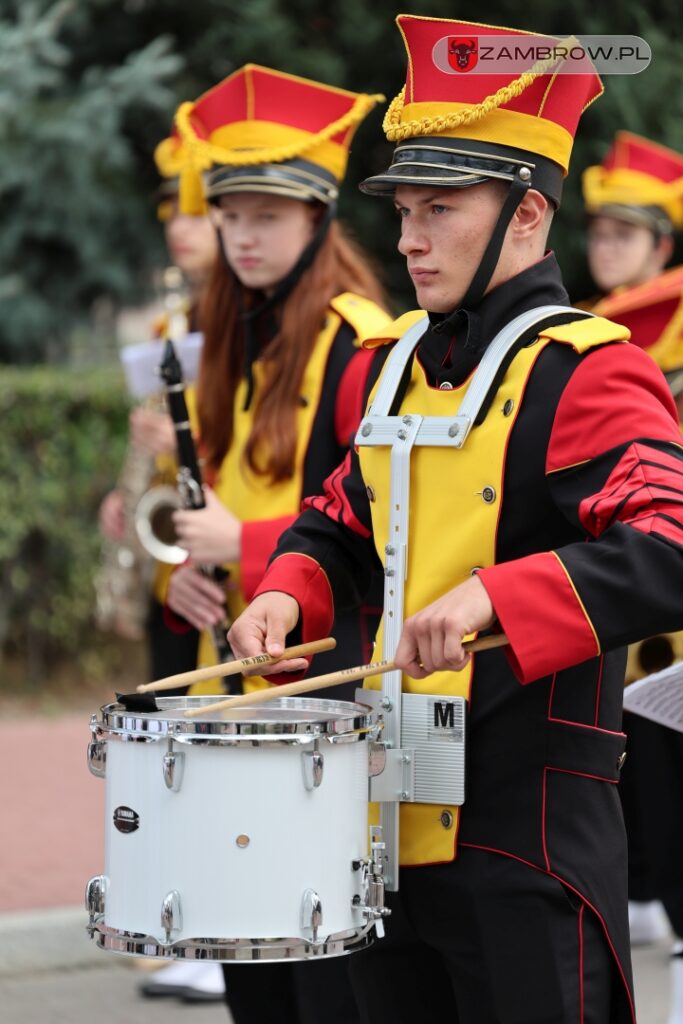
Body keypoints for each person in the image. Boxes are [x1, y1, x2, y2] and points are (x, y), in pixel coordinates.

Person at [227, 16, 683, 1024]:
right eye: (402, 209)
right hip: (383, 820)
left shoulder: (587, 366)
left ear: (526, 215)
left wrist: (495, 593)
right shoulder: (392, 362)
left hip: (525, 837)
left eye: (440, 208)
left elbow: (667, 546)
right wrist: (280, 588)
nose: (407, 237)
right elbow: (340, 519)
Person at [152, 64, 391, 1020]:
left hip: (322, 701)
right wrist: (186, 572)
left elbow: (372, 529)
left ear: (320, 218)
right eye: (230, 214)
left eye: (268, 215)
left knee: (323, 983)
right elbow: (209, 494)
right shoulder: (226, 330)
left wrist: (243, 543)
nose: (243, 236)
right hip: (236, 687)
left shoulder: (361, 343)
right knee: (253, 975)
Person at [583, 131, 683, 1023]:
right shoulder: (583, 324)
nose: (607, 244)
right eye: (601, 230)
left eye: (627, 232)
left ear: (662, 242)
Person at [97, 174, 218, 682]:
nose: (176, 227)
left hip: (225, 558)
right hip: (172, 565)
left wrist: (182, 446)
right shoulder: (168, 327)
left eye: (192, 212)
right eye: (170, 213)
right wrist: (131, 488)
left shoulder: (245, 329)